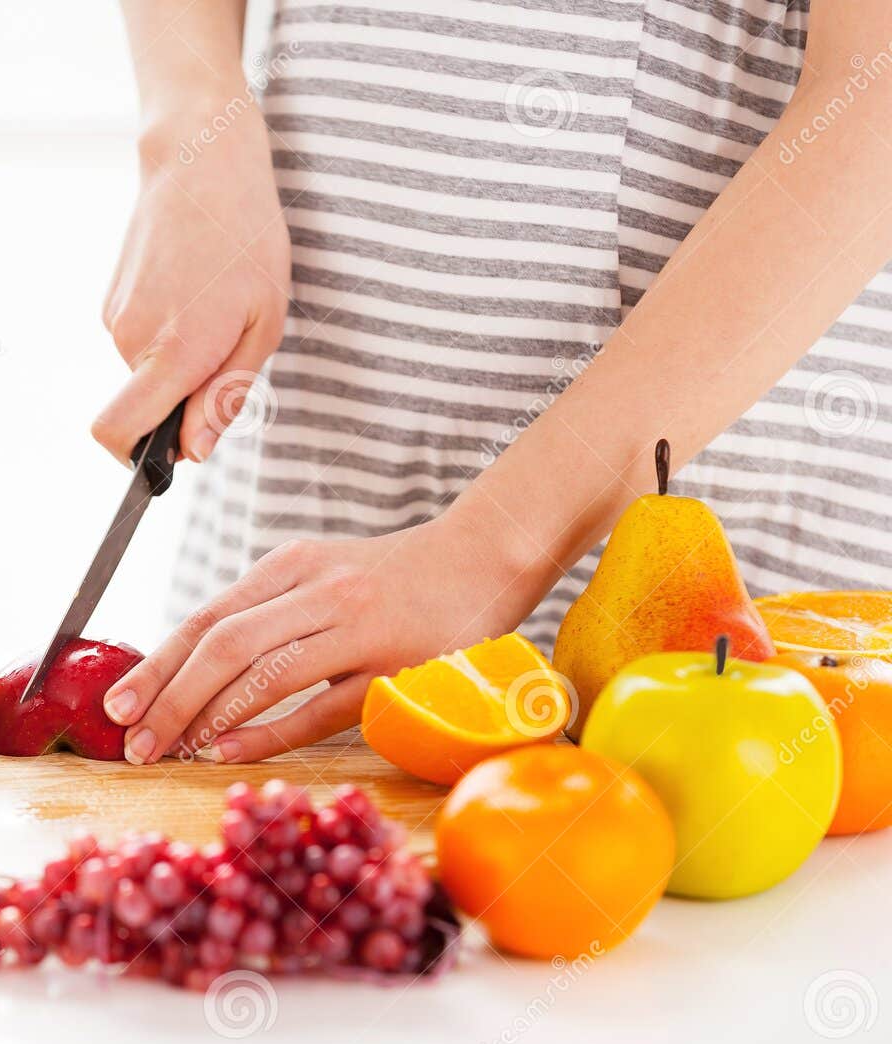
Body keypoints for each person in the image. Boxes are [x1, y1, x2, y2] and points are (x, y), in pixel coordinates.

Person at [94, 0, 892, 765]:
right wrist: (192, 124)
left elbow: (875, 87)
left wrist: (490, 549)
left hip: (698, 584)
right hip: (317, 455)